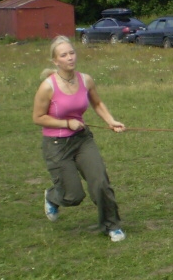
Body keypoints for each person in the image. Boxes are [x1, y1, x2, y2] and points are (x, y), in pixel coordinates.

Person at [33, 35, 126, 242]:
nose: (69, 58)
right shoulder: (48, 86)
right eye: (63, 55)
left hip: (82, 139)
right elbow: (38, 117)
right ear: (55, 61)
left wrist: (111, 121)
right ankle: (52, 197)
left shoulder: (85, 79)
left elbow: (98, 103)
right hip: (57, 145)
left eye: (72, 53)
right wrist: (66, 123)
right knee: (72, 196)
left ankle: (112, 225)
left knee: (100, 182)